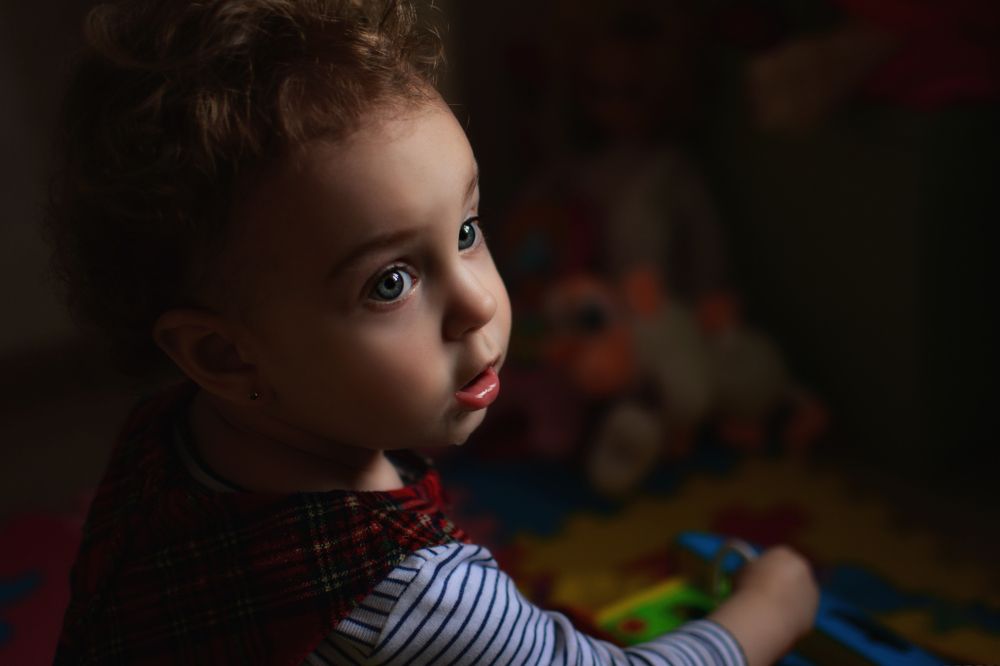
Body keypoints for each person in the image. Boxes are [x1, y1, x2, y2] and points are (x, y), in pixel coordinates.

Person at [48, 1, 818, 663]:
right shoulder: (410, 595)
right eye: (390, 282)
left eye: (466, 231)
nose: (479, 302)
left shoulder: (165, 440)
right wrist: (768, 609)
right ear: (222, 354)